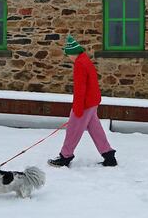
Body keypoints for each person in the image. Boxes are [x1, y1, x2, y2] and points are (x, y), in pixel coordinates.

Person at [48, 35, 117, 167]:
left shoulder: (79, 63)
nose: (68, 58)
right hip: (92, 102)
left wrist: (77, 109)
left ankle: (65, 156)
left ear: (72, 53)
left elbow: (80, 88)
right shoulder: (85, 60)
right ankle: (108, 155)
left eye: (68, 55)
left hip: (85, 103)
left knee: (73, 129)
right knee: (95, 129)